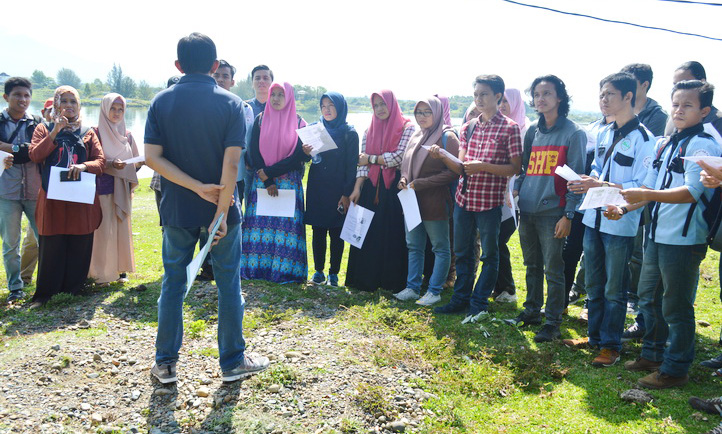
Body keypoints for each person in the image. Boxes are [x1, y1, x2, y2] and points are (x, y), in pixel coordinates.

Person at [145, 32, 268, 383]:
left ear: (178, 65)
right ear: (215, 66)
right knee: (229, 284)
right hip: (224, 209)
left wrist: (195, 187)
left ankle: (166, 362)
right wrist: (220, 212)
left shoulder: (160, 102)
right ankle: (232, 361)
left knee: (173, 283)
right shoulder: (231, 104)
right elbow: (232, 165)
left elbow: (152, 158)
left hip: (177, 208)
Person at [620, 80, 721, 389]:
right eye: (675, 103)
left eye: (687, 105)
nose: (678, 110)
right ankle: (651, 355)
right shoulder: (665, 143)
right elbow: (649, 188)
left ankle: (676, 368)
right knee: (648, 299)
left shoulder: (704, 145)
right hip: (656, 233)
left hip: (685, 237)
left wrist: (644, 194)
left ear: (704, 111)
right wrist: (624, 209)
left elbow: (692, 192)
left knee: (676, 307)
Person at [564, 72, 655, 367]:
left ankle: (611, 346)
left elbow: (642, 188)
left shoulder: (644, 140)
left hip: (620, 223)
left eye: (610, 95)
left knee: (615, 288)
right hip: (593, 218)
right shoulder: (603, 132)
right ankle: (594, 338)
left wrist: (600, 185)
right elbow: (599, 171)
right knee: (594, 282)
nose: (603, 101)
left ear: (628, 97)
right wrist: (586, 181)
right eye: (601, 95)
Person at [434, 75, 522, 323]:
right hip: (464, 199)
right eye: (476, 94)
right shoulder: (468, 127)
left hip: (489, 203)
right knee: (462, 252)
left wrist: (484, 166)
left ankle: (479, 302)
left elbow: (515, 167)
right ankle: (460, 299)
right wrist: (442, 155)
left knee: (489, 255)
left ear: (498, 97)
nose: (479, 99)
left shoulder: (510, 128)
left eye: (484, 94)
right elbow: (462, 165)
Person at [510, 75, 586, 342]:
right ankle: (531, 311)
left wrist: (569, 215)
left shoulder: (574, 133)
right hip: (527, 209)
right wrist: (518, 189)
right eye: (536, 95)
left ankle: (552, 321)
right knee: (531, 264)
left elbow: (576, 179)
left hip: (554, 211)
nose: (540, 99)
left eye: (546, 94)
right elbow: (525, 168)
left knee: (553, 269)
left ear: (560, 98)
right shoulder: (532, 130)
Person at [28, 86, 105, 308]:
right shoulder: (44, 128)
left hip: (79, 196)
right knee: (51, 243)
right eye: (64, 101)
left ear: (79, 105)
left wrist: (83, 165)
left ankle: (74, 290)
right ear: (56, 104)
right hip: (52, 197)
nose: (69, 105)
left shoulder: (88, 132)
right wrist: (55, 131)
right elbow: (35, 155)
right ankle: (44, 295)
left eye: (73, 101)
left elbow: (100, 162)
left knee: (80, 241)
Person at [241, 82, 312, 283]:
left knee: (285, 228)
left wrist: (269, 174)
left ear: (289, 97)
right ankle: (256, 269)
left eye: (281, 94)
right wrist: (267, 178)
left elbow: (298, 156)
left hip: (288, 182)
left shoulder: (300, 123)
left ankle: (286, 272)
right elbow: (253, 150)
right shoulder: (261, 119)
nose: (276, 98)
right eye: (274, 94)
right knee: (259, 226)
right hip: (262, 181)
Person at [346, 90, 415, 292]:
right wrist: (357, 187)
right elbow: (361, 163)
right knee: (366, 234)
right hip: (370, 188)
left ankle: (390, 281)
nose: (380, 109)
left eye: (383, 104)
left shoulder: (407, 128)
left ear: (392, 104)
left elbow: (399, 157)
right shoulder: (369, 130)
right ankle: (365, 280)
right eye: (375, 105)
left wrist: (372, 158)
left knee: (392, 235)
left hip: (393, 189)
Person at [395, 96, 459, 306]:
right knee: (414, 245)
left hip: (435, 201)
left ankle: (434, 290)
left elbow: (454, 172)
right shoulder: (415, 135)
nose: (422, 117)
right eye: (418, 112)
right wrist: (404, 179)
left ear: (437, 113)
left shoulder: (447, 137)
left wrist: (422, 183)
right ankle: (412, 288)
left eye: (427, 112)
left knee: (440, 247)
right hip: (412, 199)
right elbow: (406, 164)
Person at [305, 92, 358, 287]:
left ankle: (334, 274)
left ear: (340, 108)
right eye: (324, 106)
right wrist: (305, 152)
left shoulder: (349, 133)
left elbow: (351, 165)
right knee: (318, 230)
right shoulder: (315, 129)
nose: (327, 110)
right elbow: (306, 159)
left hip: (338, 190)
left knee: (337, 232)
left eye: (331, 105)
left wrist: (345, 193)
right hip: (318, 188)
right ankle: (318, 272)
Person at [88, 93, 142, 285]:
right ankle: (100, 274)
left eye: (121, 109)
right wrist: (111, 163)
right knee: (102, 230)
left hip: (122, 189)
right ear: (104, 109)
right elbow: (91, 160)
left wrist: (138, 162)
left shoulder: (127, 135)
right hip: (101, 187)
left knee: (121, 229)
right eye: (113, 108)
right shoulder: (95, 133)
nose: (117, 113)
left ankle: (120, 271)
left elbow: (136, 162)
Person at [0, 77, 43, 302]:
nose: (23, 99)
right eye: (17, 95)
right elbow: (28, 151)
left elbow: (36, 150)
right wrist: (22, 150)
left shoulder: (36, 121)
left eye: (26, 95)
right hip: (6, 191)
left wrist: (8, 148)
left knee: (43, 238)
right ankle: (15, 287)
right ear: (6, 97)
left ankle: (45, 283)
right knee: (10, 243)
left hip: (34, 190)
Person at [491, 88, 529, 303]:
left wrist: (515, 190)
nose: (502, 105)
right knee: (493, 240)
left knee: (499, 240)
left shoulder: (525, 130)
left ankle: (508, 288)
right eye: (500, 100)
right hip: (496, 192)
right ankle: (498, 287)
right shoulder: (497, 127)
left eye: (506, 101)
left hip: (515, 198)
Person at [243, 65, 274, 209]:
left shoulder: (279, 108)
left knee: (273, 208)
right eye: (257, 78)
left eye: (265, 78)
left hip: (273, 169)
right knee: (250, 207)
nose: (261, 81)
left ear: (271, 82)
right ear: (252, 82)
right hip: (249, 168)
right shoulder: (243, 107)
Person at [620, 63, 668, 137]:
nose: (624, 88)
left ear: (645, 85)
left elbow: (649, 145)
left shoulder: (658, 116)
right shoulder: (616, 111)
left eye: (629, 84)